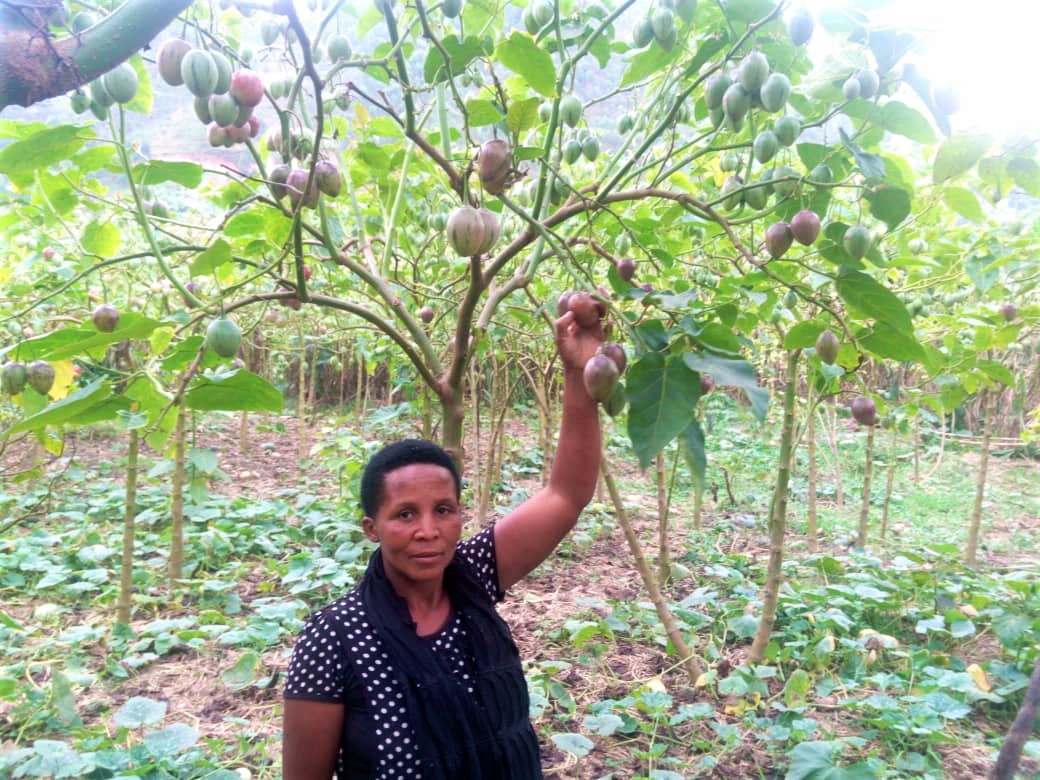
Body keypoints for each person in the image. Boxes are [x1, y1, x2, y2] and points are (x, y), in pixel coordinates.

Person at [282, 308, 604, 779]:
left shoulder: (472, 575)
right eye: (405, 514)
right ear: (372, 529)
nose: (428, 531)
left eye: (444, 511)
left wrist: (578, 372)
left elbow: (566, 493)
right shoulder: (334, 637)